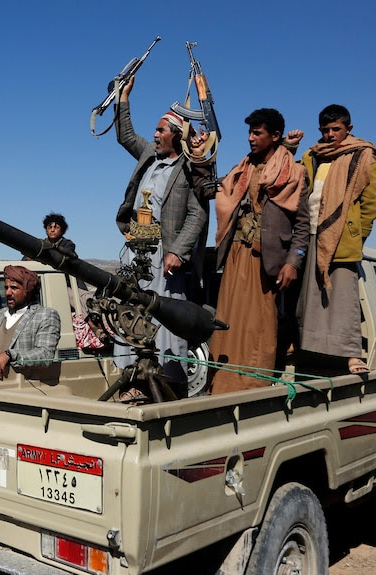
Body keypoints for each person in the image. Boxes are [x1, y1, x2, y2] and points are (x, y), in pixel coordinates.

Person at [112, 76, 212, 400]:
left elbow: (197, 214)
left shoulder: (191, 167)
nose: (154, 135)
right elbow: (125, 135)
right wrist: (123, 96)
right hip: (138, 248)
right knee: (131, 312)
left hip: (167, 257)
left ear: (176, 136)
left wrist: (179, 252)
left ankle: (171, 390)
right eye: (155, 130)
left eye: (160, 131)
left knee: (167, 319)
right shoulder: (149, 157)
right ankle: (134, 385)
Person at [208, 108, 309, 394]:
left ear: (275, 136)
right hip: (237, 254)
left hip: (266, 261)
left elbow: (302, 226)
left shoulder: (294, 173)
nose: (251, 138)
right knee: (228, 321)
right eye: (250, 133)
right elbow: (211, 188)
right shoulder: (243, 169)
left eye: (257, 133)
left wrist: (294, 262)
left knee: (258, 326)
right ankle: (222, 386)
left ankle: (253, 386)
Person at [289, 105, 376, 374]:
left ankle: (351, 355)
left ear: (348, 129)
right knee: (307, 299)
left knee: (342, 298)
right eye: (325, 130)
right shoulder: (312, 155)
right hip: (311, 233)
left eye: (335, 129)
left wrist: (355, 235)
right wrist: (290, 147)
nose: (330, 135)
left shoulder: (363, 155)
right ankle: (306, 348)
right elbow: (291, 178)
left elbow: (370, 205)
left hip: (341, 237)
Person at [0, 265, 60, 380]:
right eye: (6, 287)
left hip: (20, 388)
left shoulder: (45, 315)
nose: (8, 293)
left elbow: (45, 355)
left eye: (14, 288)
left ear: (28, 291)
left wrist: (10, 355)